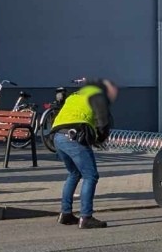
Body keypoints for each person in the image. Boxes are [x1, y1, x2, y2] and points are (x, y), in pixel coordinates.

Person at [49, 79, 118, 229]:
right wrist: (100, 139)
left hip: (57, 137)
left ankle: (65, 214)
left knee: (74, 173)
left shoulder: (74, 96)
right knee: (91, 176)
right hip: (74, 137)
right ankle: (86, 217)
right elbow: (103, 123)